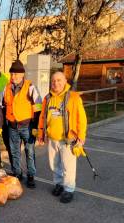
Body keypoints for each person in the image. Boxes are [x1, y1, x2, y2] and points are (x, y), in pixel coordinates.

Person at [37, 71, 87, 203]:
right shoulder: (47, 98)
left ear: (65, 81)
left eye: (59, 80)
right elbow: (42, 117)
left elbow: (82, 120)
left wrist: (81, 138)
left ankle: (69, 190)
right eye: (53, 81)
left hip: (68, 140)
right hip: (52, 139)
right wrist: (41, 133)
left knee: (68, 167)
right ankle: (58, 184)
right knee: (54, 164)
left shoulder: (74, 97)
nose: (56, 83)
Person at [0, 60, 42, 188]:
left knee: (29, 151)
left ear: (22, 74)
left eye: (16, 74)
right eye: (12, 74)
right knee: (14, 152)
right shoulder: (5, 88)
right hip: (12, 126)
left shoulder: (30, 87)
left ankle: (31, 175)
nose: (13, 77)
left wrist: (36, 127)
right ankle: (17, 173)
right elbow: (0, 107)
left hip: (27, 126)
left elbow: (38, 108)